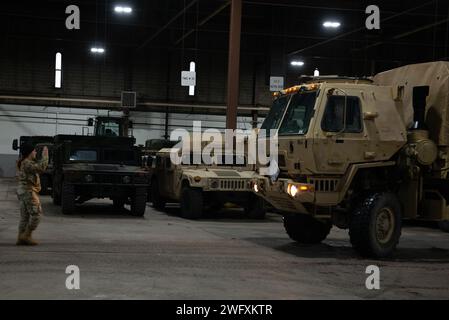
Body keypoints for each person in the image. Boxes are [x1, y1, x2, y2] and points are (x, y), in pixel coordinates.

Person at [16, 143, 48, 246]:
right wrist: (45, 156)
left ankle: (21, 238)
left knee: (25, 217)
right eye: (34, 151)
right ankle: (27, 235)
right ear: (30, 152)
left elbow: (36, 166)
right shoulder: (26, 163)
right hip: (29, 192)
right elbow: (41, 168)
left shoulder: (25, 162)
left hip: (23, 191)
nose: (35, 152)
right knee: (36, 214)